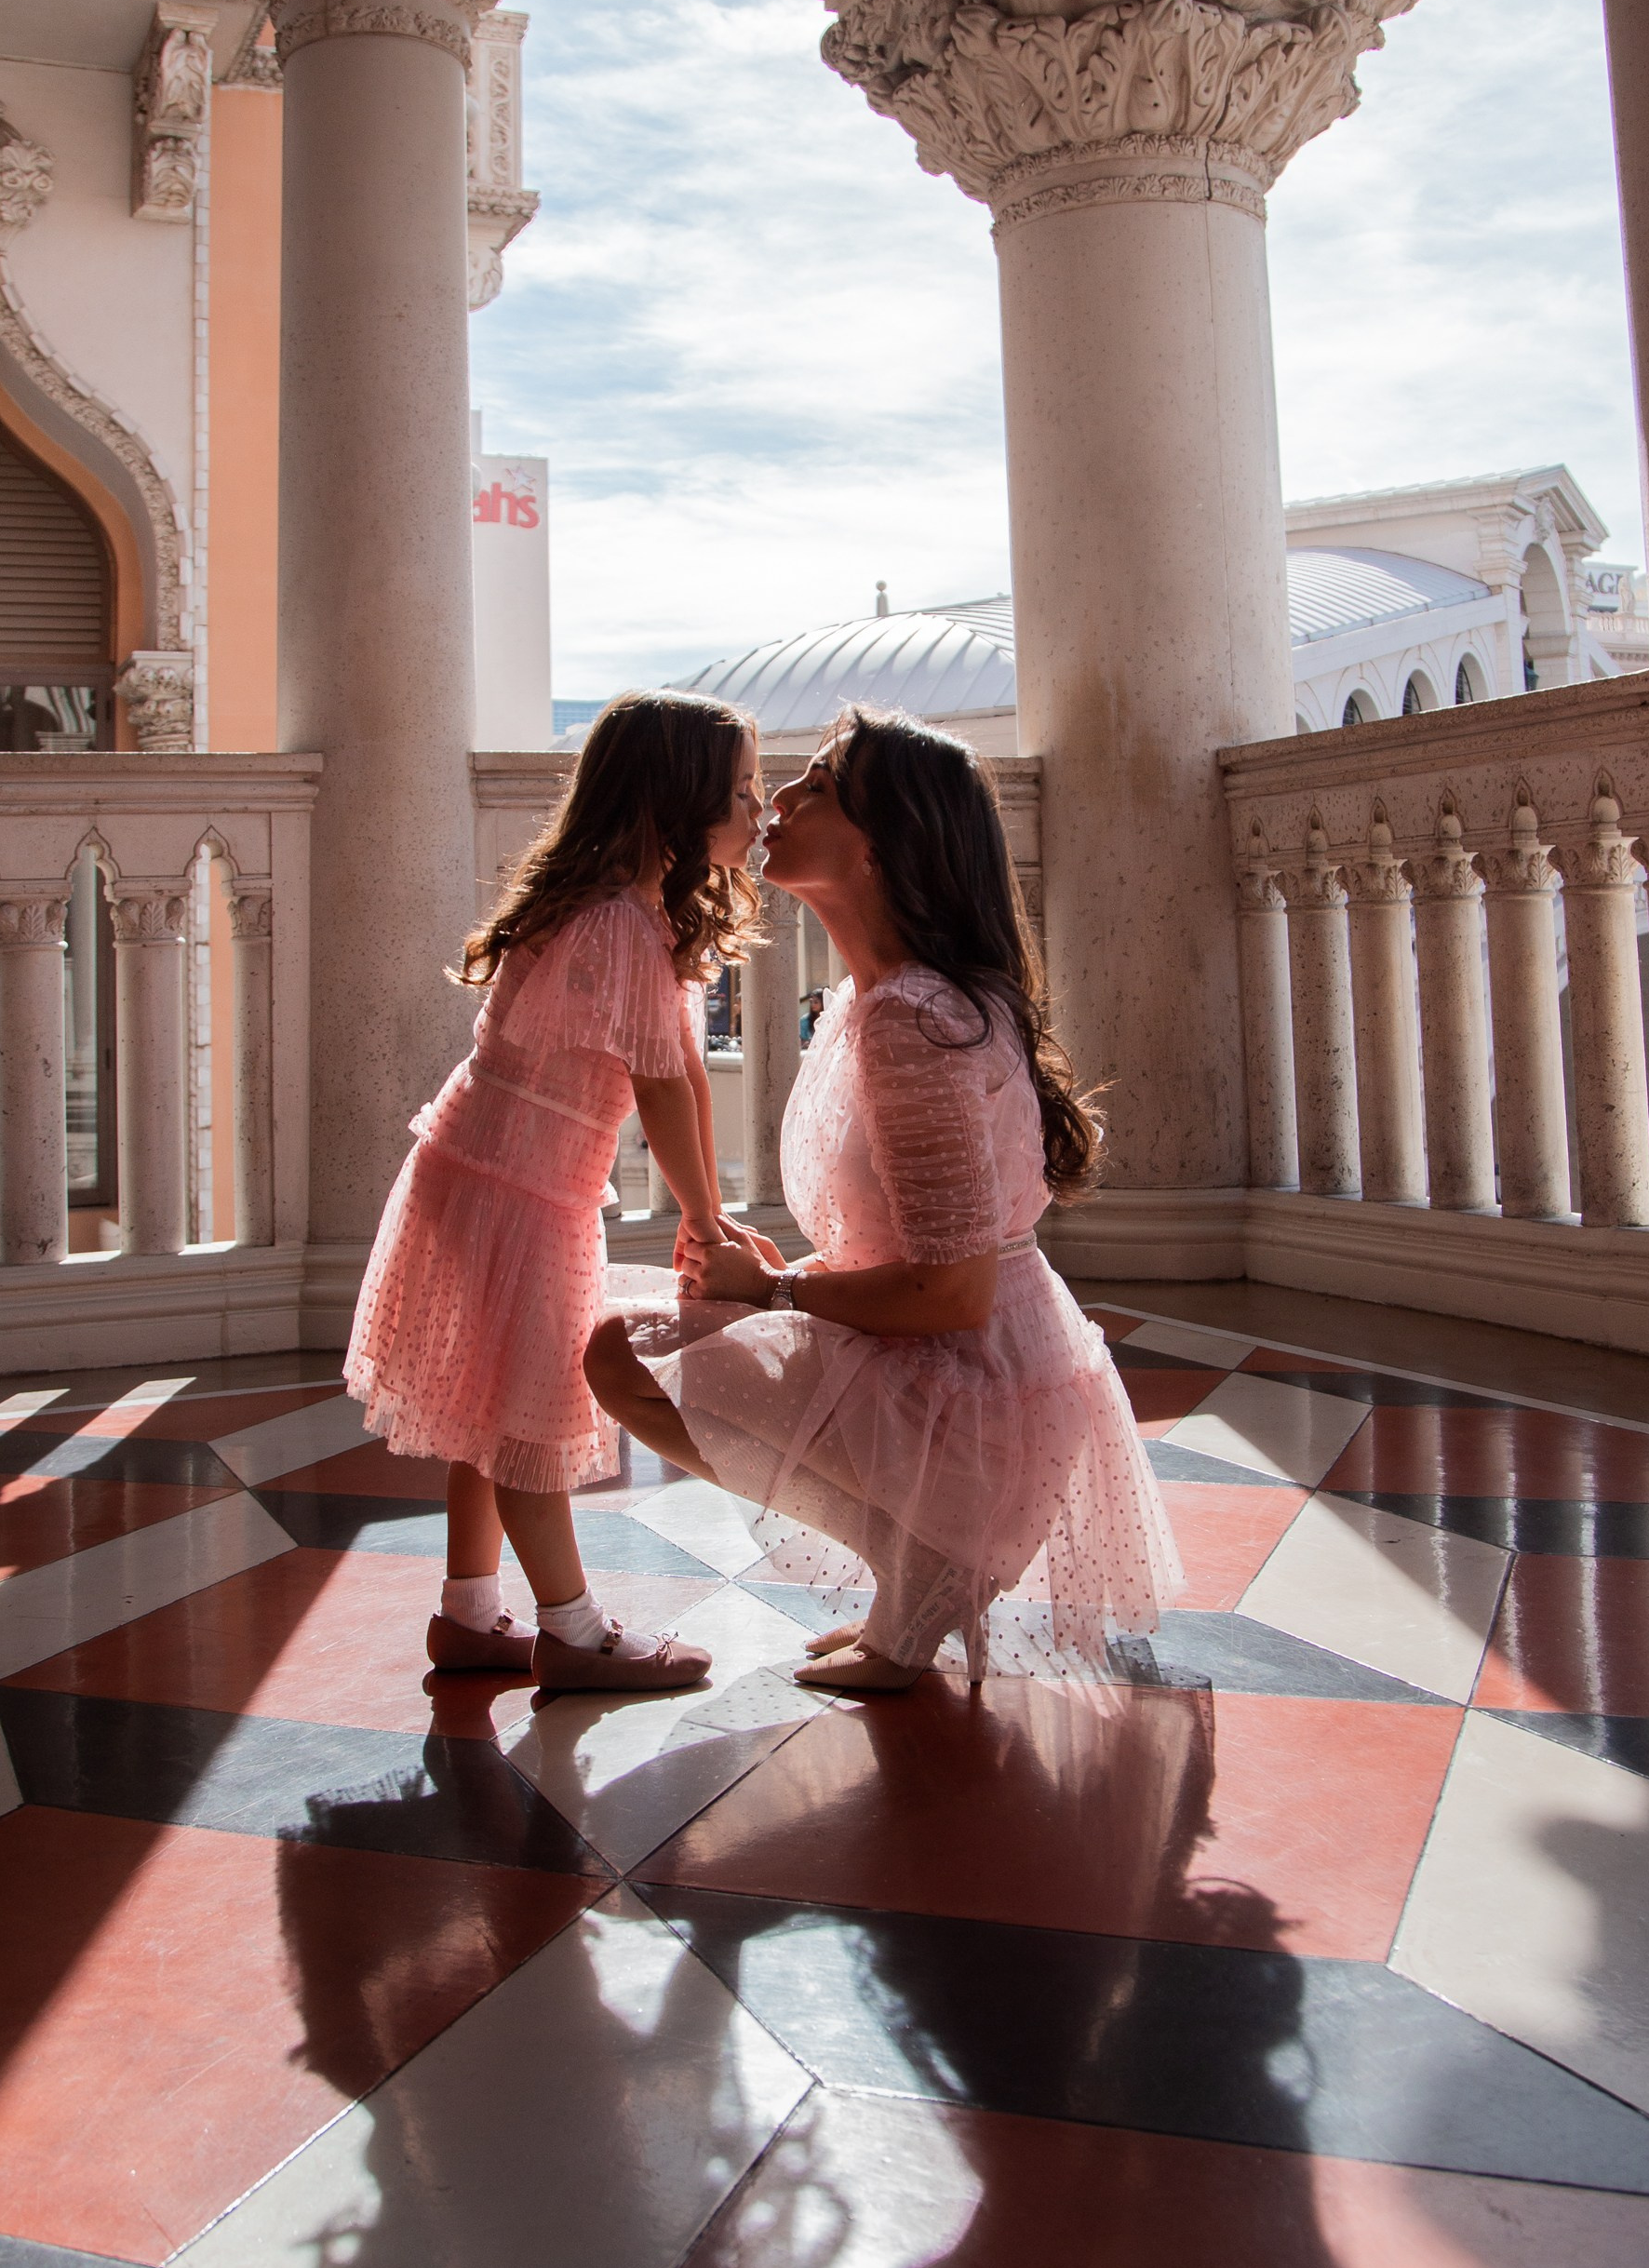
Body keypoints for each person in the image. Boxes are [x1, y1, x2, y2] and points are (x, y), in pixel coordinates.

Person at [584, 706, 1181, 1694]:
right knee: (663, 1322)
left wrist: (775, 1297)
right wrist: (783, 1280)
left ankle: (935, 1562)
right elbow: (914, 1245)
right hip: (965, 1368)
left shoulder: (911, 1019)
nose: (776, 799)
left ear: (881, 846)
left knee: (618, 1350)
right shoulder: (883, 1003)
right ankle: (919, 1568)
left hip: (971, 1395)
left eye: (816, 787)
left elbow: (951, 1297)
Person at [345, 691, 762, 1692]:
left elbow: (684, 1076)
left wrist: (714, 1212)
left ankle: (468, 1613)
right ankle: (572, 1633)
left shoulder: (628, 913)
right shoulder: (619, 923)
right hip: (517, 1192)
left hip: (493, 1175)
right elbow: (660, 1087)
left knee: (490, 1405)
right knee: (527, 1418)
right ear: (678, 800)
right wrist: (702, 1220)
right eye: (741, 790)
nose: (759, 810)